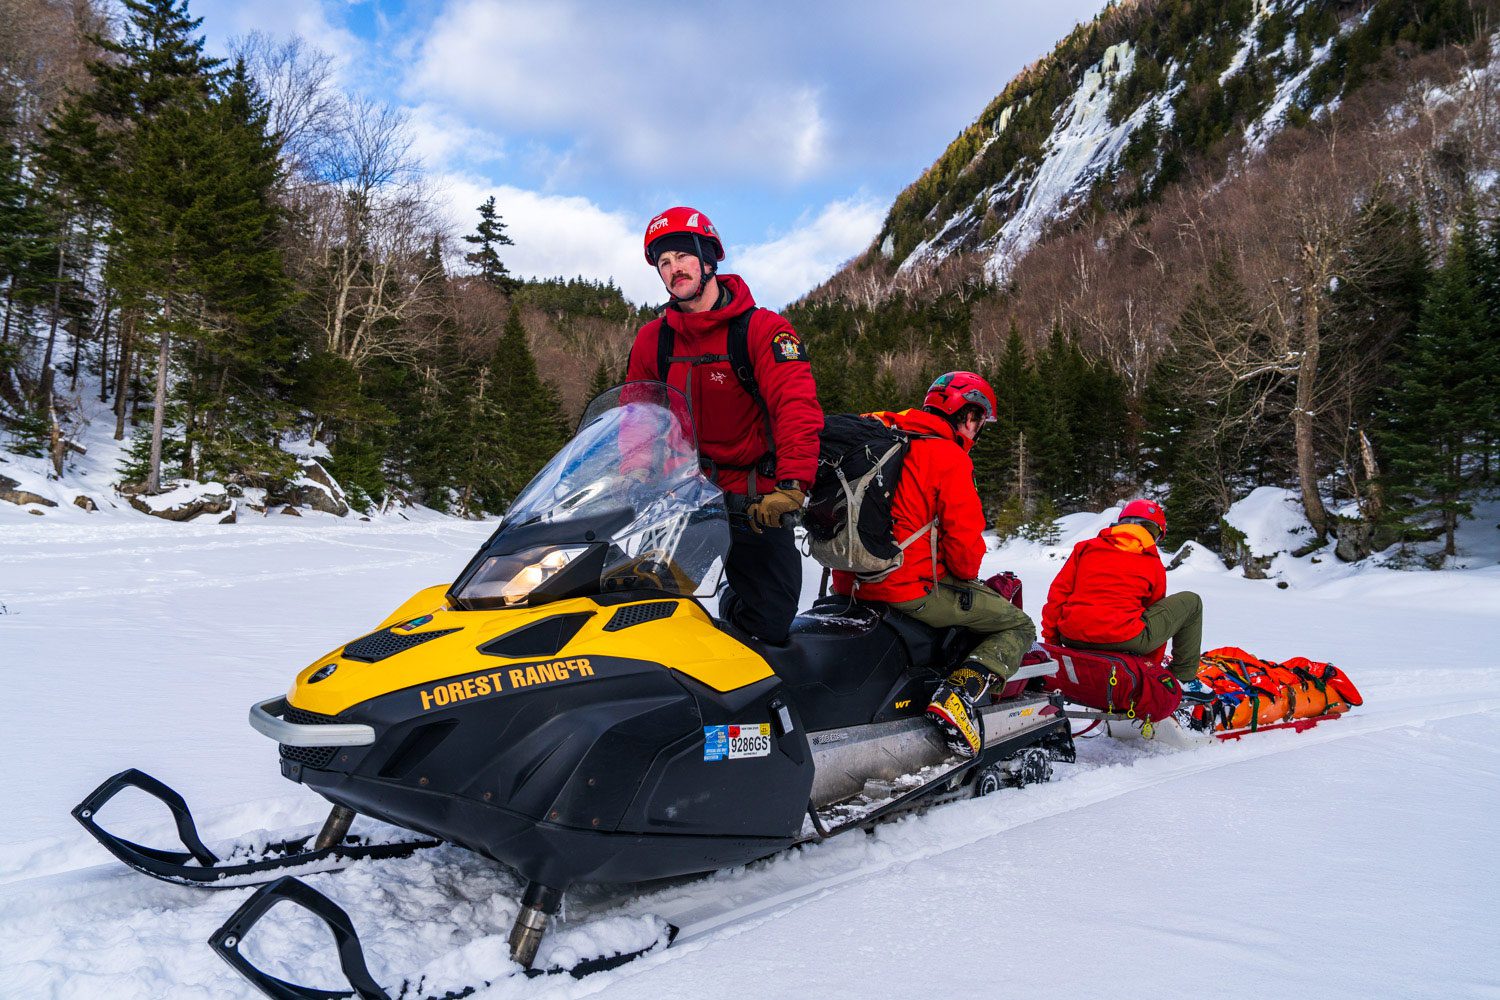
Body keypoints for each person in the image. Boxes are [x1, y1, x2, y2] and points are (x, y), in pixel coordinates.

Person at [626, 206, 822, 644]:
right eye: (663, 263)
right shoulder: (652, 340)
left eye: (681, 256)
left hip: (755, 501)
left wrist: (791, 485)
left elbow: (796, 407)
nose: (674, 269)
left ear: (708, 258)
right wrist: (634, 476)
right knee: (642, 610)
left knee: (769, 624)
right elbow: (638, 414)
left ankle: (733, 606)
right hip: (686, 496)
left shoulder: (763, 330)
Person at [830, 372, 1036, 759]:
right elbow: (965, 555)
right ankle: (958, 694)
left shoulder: (883, 437)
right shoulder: (948, 456)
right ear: (968, 416)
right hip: (907, 591)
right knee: (1018, 623)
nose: (977, 432)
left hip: (848, 583)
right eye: (979, 422)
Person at [1040, 499, 1204, 683]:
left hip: (1071, 636)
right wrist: (1150, 669)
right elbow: (1154, 613)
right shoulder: (1152, 562)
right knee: (1192, 602)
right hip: (1124, 638)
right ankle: (1183, 679)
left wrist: (1052, 643)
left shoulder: (1085, 548)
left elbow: (1058, 595)